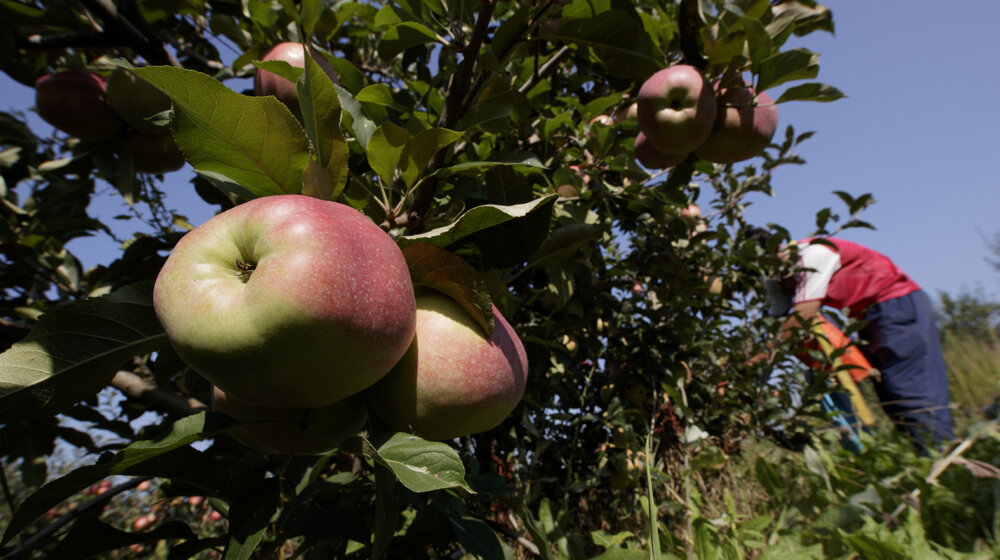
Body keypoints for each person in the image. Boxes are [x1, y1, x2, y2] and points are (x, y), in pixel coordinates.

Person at [750, 231, 954, 452]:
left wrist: (753, 363)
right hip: (868, 317)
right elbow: (780, 325)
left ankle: (945, 462)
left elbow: (801, 318)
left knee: (910, 391)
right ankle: (928, 463)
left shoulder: (811, 254)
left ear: (774, 250)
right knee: (891, 396)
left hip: (895, 304)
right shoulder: (778, 279)